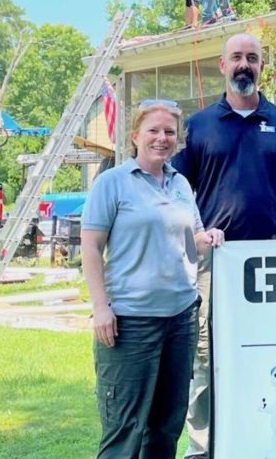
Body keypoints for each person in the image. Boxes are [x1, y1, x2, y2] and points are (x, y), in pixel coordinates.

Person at [172, 32, 276, 458]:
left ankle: (263, 443)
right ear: (222, 65)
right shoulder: (197, 127)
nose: (244, 65)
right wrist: (194, 240)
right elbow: (178, 194)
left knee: (275, 350)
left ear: (261, 66)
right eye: (236, 57)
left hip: (275, 259)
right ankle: (202, 449)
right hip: (215, 262)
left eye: (252, 58)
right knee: (205, 353)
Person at [82, 99, 225, 458]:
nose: (162, 138)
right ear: (135, 136)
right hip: (130, 323)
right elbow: (91, 248)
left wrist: (209, 238)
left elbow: (192, 242)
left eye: (169, 132)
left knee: (166, 427)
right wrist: (101, 308)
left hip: (180, 321)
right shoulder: (112, 183)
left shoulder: (181, 184)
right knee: (125, 429)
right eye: (154, 130)